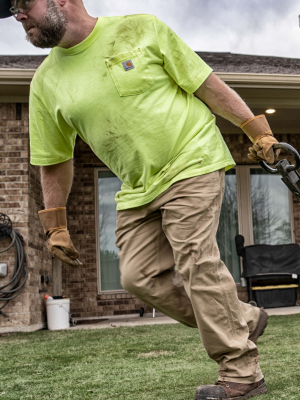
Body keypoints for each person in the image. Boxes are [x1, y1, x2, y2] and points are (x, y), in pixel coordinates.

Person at [1, 0, 278, 398]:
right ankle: (243, 319)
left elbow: (207, 85)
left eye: (23, 3)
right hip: (136, 186)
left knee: (196, 260)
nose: (18, 14)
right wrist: (55, 223)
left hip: (191, 159)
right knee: (138, 277)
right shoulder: (45, 82)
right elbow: (54, 159)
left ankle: (241, 372)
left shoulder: (141, 29)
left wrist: (257, 130)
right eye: (11, 9)